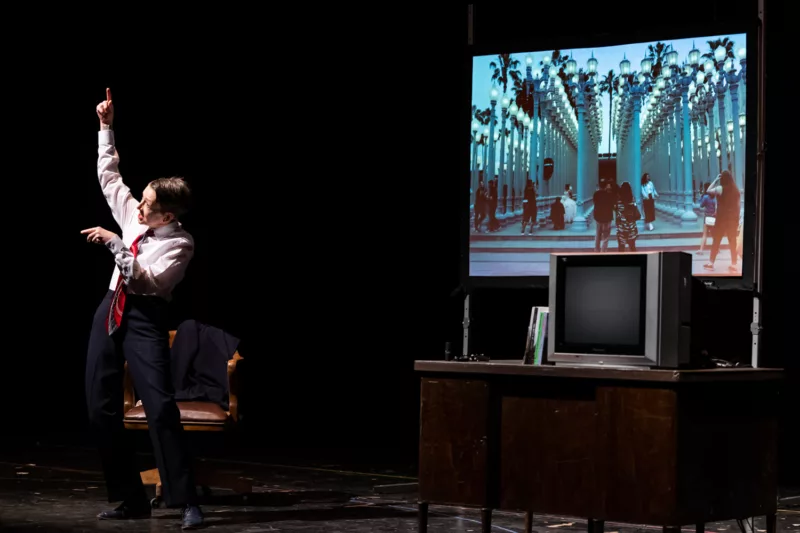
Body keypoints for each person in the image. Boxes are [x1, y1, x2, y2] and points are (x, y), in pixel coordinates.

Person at [82, 89, 204, 530]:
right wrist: (106, 127)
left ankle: (185, 498)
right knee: (100, 406)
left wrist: (114, 243)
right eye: (143, 198)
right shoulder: (137, 215)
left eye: (148, 205)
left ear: (167, 215)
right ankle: (129, 497)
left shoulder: (180, 244)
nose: (138, 205)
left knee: (160, 407)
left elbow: (146, 282)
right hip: (109, 310)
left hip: (145, 317)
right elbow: (111, 177)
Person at [703, 170, 741, 272]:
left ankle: (711, 263)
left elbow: (708, 190)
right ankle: (734, 265)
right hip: (732, 220)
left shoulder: (721, 188)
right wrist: (737, 219)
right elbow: (738, 206)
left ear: (722, 178)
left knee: (716, 241)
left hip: (722, 219)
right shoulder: (736, 190)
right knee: (732, 242)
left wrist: (716, 179)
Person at [614, 182, 640, 252]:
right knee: (632, 247)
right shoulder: (632, 199)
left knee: (621, 247)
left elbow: (617, 212)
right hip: (631, 226)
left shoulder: (618, 200)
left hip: (621, 227)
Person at [593, 179, 614, 252]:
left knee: (598, 234)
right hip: (607, 218)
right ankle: (603, 251)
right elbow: (612, 205)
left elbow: (595, 203)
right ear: (606, 186)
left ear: (599, 185)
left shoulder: (596, 194)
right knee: (606, 236)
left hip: (598, 217)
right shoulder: (609, 195)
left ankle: (596, 249)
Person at [696, 182, 716, 255]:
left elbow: (701, 205)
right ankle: (717, 248)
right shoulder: (715, 197)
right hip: (714, 217)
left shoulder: (705, 197)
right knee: (714, 234)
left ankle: (701, 250)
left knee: (705, 234)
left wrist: (700, 197)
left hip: (707, 217)